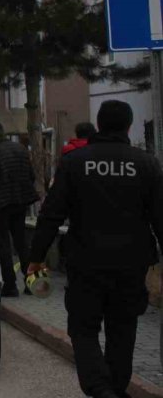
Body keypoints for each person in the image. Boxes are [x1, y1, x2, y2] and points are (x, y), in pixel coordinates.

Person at [27, 101, 163, 398]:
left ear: (99, 124)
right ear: (129, 126)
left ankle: (100, 388)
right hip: (131, 262)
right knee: (123, 328)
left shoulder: (75, 162)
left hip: (85, 260)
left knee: (83, 327)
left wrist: (36, 257)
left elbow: (51, 213)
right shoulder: (146, 163)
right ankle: (115, 387)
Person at [0, 121, 40, 297]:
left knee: (4, 245)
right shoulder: (21, 149)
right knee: (22, 243)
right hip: (20, 202)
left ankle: (10, 285)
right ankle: (31, 282)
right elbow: (30, 175)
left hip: (1, 205)